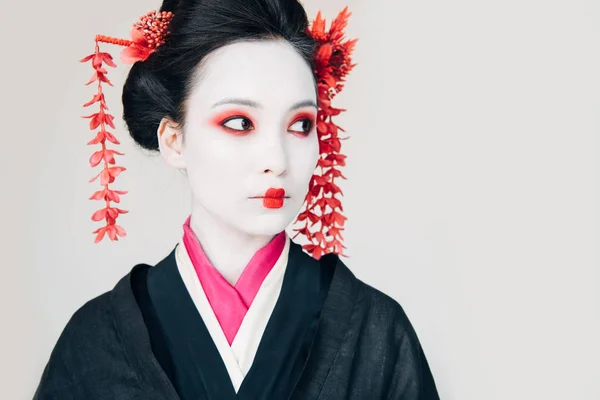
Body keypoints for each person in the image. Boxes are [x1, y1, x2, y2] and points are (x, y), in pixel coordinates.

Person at [34, 0, 440, 398]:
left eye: (300, 125)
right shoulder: (94, 343)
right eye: (240, 123)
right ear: (174, 140)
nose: (277, 161)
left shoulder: (377, 332)